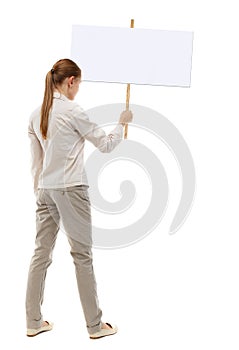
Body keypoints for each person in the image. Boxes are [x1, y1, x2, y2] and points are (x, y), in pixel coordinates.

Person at [25, 58, 133, 339]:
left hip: (45, 190)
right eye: (79, 84)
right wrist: (122, 124)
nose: (78, 90)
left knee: (40, 254)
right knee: (82, 256)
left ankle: (33, 321)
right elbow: (106, 146)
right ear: (71, 81)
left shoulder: (36, 114)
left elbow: (36, 164)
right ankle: (95, 326)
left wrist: (40, 191)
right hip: (72, 189)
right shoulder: (73, 111)